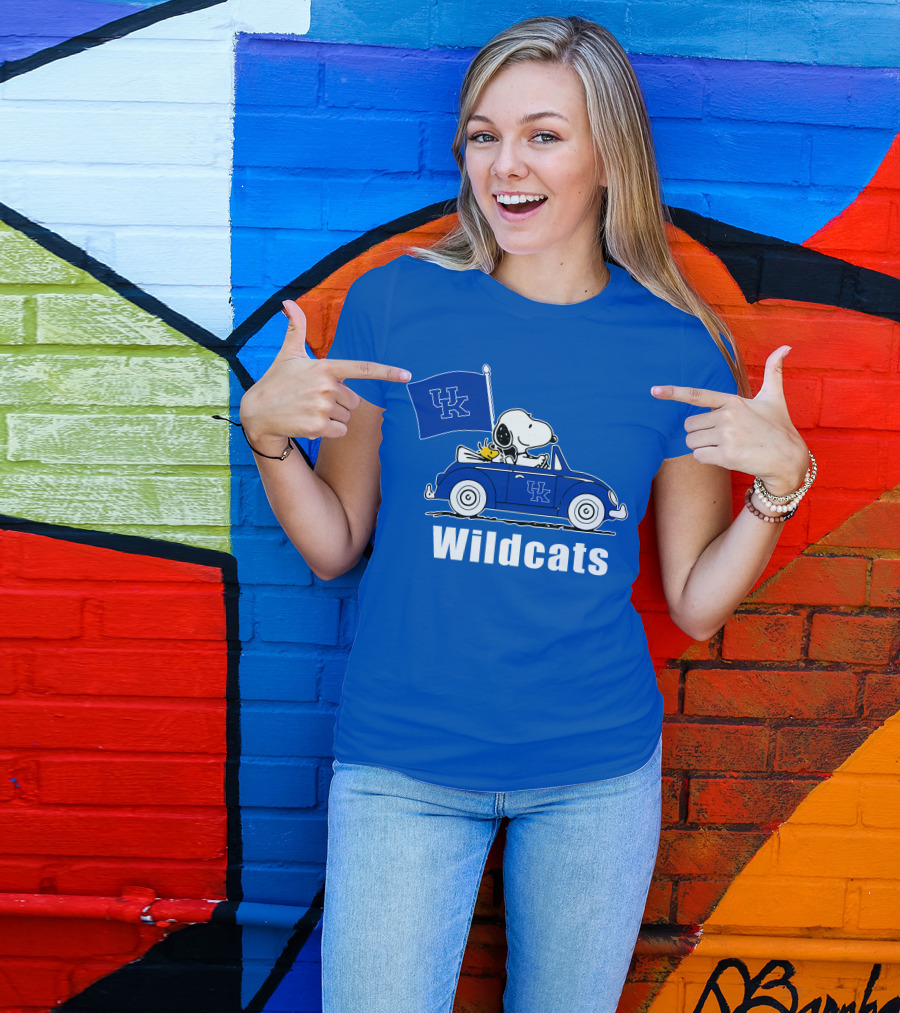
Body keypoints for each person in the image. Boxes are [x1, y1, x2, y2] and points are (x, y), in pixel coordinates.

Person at [238, 15, 814, 1013]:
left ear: (607, 156)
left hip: (593, 773)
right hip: (404, 763)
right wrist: (270, 439)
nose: (505, 165)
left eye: (544, 134)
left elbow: (697, 604)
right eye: (482, 134)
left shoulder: (676, 347)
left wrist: (779, 485)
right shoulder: (398, 306)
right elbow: (336, 546)